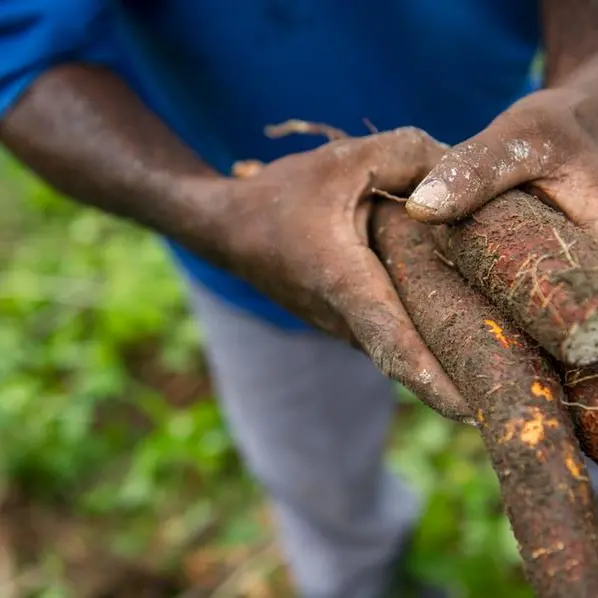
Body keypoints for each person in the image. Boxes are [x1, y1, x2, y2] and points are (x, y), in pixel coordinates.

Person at [1, 1, 597, 596]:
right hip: (255, 227)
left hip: (532, 183)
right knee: (324, 491)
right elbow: (19, 57)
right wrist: (214, 214)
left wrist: (585, 74)